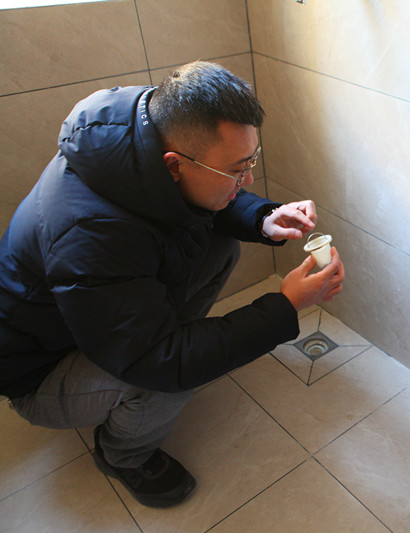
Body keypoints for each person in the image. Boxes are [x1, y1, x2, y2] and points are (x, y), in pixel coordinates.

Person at [0, 61, 345, 508]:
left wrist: (262, 217)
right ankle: (123, 455)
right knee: (167, 377)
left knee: (220, 249)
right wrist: (286, 305)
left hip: (92, 320)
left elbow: (198, 196)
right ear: (174, 165)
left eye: (251, 160)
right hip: (39, 369)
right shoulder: (91, 233)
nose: (248, 179)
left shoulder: (150, 130)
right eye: (237, 170)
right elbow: (157, 361)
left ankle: (167, 347)